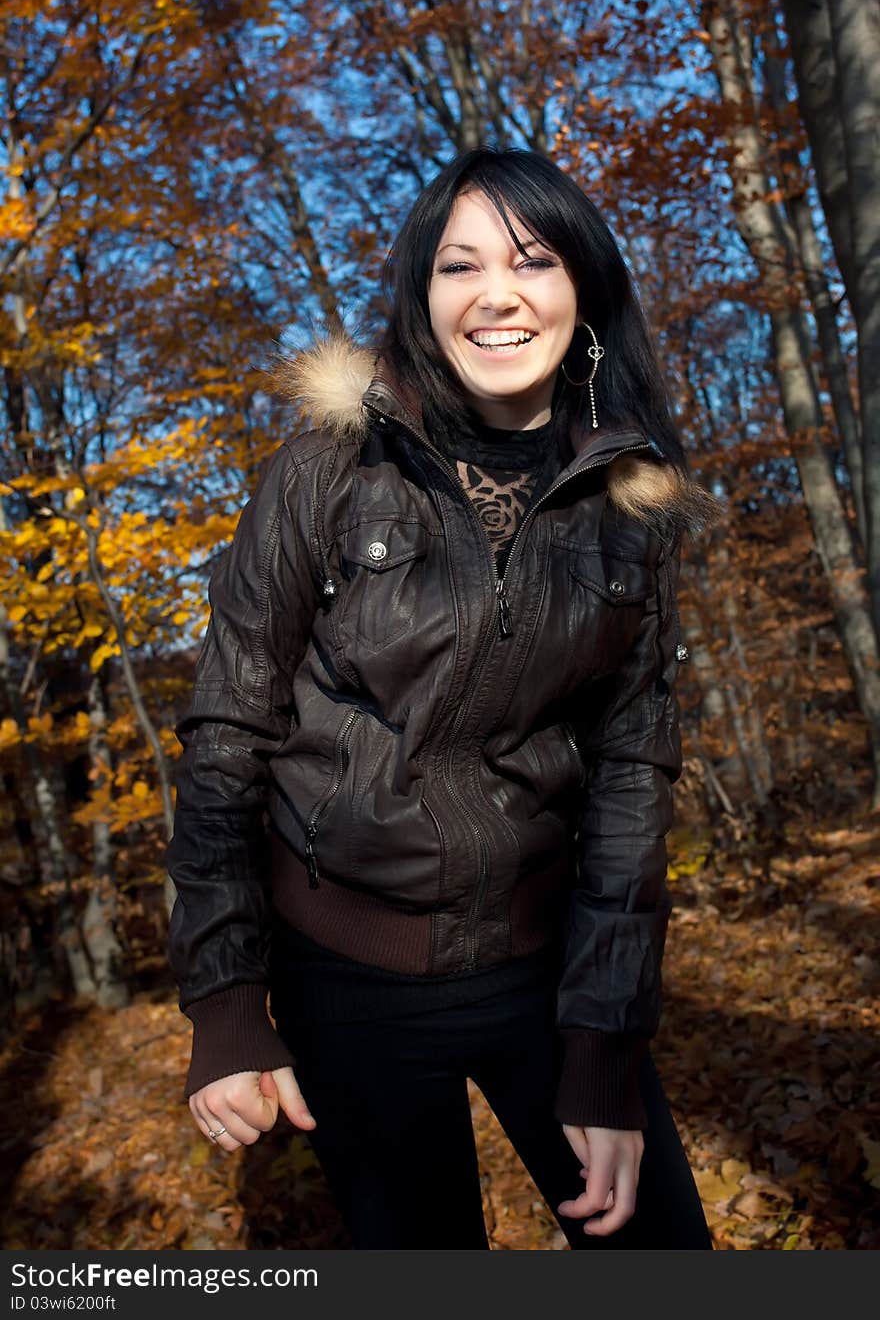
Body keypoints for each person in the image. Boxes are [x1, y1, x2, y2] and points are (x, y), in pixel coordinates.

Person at [165, 147, 722, 1250]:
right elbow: (225, 736)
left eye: (534, 260)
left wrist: (605, 1047)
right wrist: (226, 1002)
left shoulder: (631, 505)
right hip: (347, 972)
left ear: (585, 293)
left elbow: (629, 773)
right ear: (424, 299)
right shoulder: (326, 471)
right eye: (459, 266)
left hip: (545, 960)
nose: (498, 293)